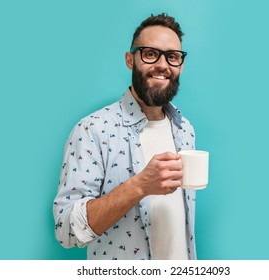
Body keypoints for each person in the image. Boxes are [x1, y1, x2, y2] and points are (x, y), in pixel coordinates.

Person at [53, 13, 197, 260]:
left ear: (180, 66)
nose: (162, 65)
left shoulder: (185, 130)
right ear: (130, 60)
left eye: (172, 57)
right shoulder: (93, 129)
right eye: (150, 54)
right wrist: (140, 185)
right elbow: (66, 230)